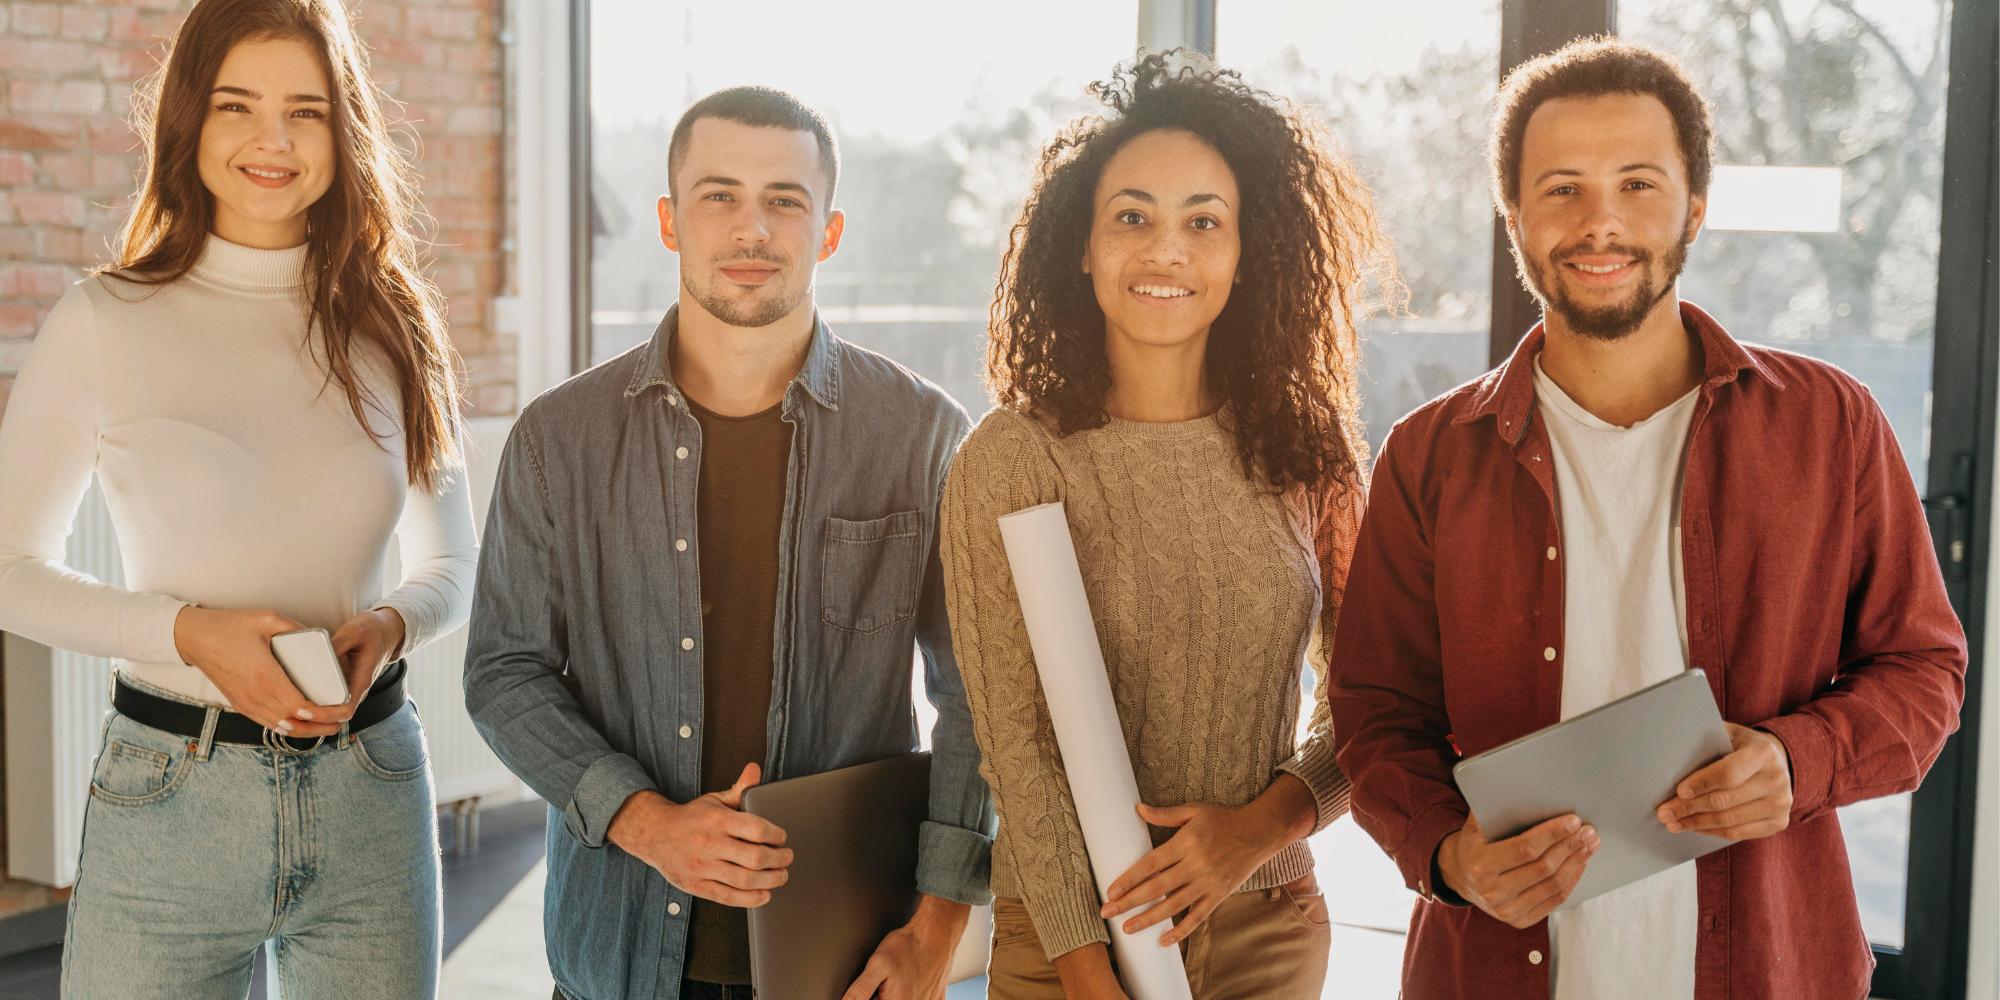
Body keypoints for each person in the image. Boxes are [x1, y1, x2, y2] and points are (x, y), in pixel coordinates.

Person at [1330, 38, 1966, 1000]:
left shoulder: (1831, 423)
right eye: (1562, 190)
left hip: (1769, 966)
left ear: (1694, 206)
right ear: (1514, 217)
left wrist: (1799, 762)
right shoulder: (1428, 455)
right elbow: (1376, 715)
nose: (1601, 223)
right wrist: (1448, 855)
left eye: (1637, 184)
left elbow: (1924, 671)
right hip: (1496, 969)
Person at [463, 86, 994, 1000]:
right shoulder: (560, 438)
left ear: (829, 232)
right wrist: (646, 823)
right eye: (720, 196)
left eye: (785, 199)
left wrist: (939, 925)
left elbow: (977, 698)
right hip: (616, 957)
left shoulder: (925, 436)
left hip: (845, 961)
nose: (752, 228)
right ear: (670, 221)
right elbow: (504, 672)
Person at [0, 0, 478, 995]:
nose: (274, 140)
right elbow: (8, 571)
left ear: (344, 132)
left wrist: (390, 625)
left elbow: (452, 562)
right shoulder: (104, 321)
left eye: (306, 111)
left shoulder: (395, 323)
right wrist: (187, 633)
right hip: (172, 797)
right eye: (237, 105)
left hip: (371, 787)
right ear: (189, 119)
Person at [940, 54, 1393, 1000]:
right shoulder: (1013, 458)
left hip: (1267, 925)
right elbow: (1014, 748)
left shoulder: (1305, 451)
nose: (1167, 250)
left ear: (1246, 251)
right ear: (1082, 244)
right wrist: (1086, 968)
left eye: (1204, 222)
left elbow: (1371, 701)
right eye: (1132, 217)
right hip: (1068, 942)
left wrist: (1261, 829)